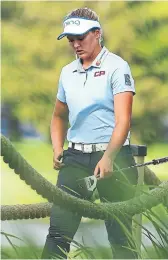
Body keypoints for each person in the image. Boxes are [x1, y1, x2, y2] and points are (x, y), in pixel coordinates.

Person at [42, 7, 138, 259]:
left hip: (115, 158)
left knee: (121, 237)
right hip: (75, 158)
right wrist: (57, 147)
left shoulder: (118, 67)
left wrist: (108, 157)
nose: (75, 45)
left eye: (80, 38)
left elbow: (123, 121)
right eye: (70, 40)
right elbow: (58, 116)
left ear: (97, 34)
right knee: (57, 233)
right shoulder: (66, 72)